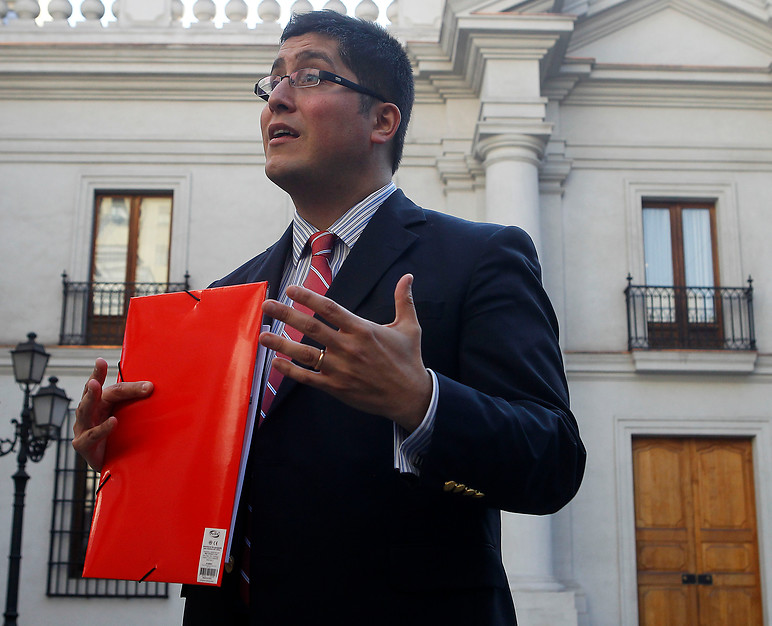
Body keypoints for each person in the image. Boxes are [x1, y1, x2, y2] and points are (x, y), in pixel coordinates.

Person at [74, 10, 586, 626]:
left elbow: (552, 461)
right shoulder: (226, 295)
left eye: (311, 76)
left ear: (383, 120)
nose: (278, 97)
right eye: (273, 81)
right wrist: (134, 457)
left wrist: (422, 402)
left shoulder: (481, 257)